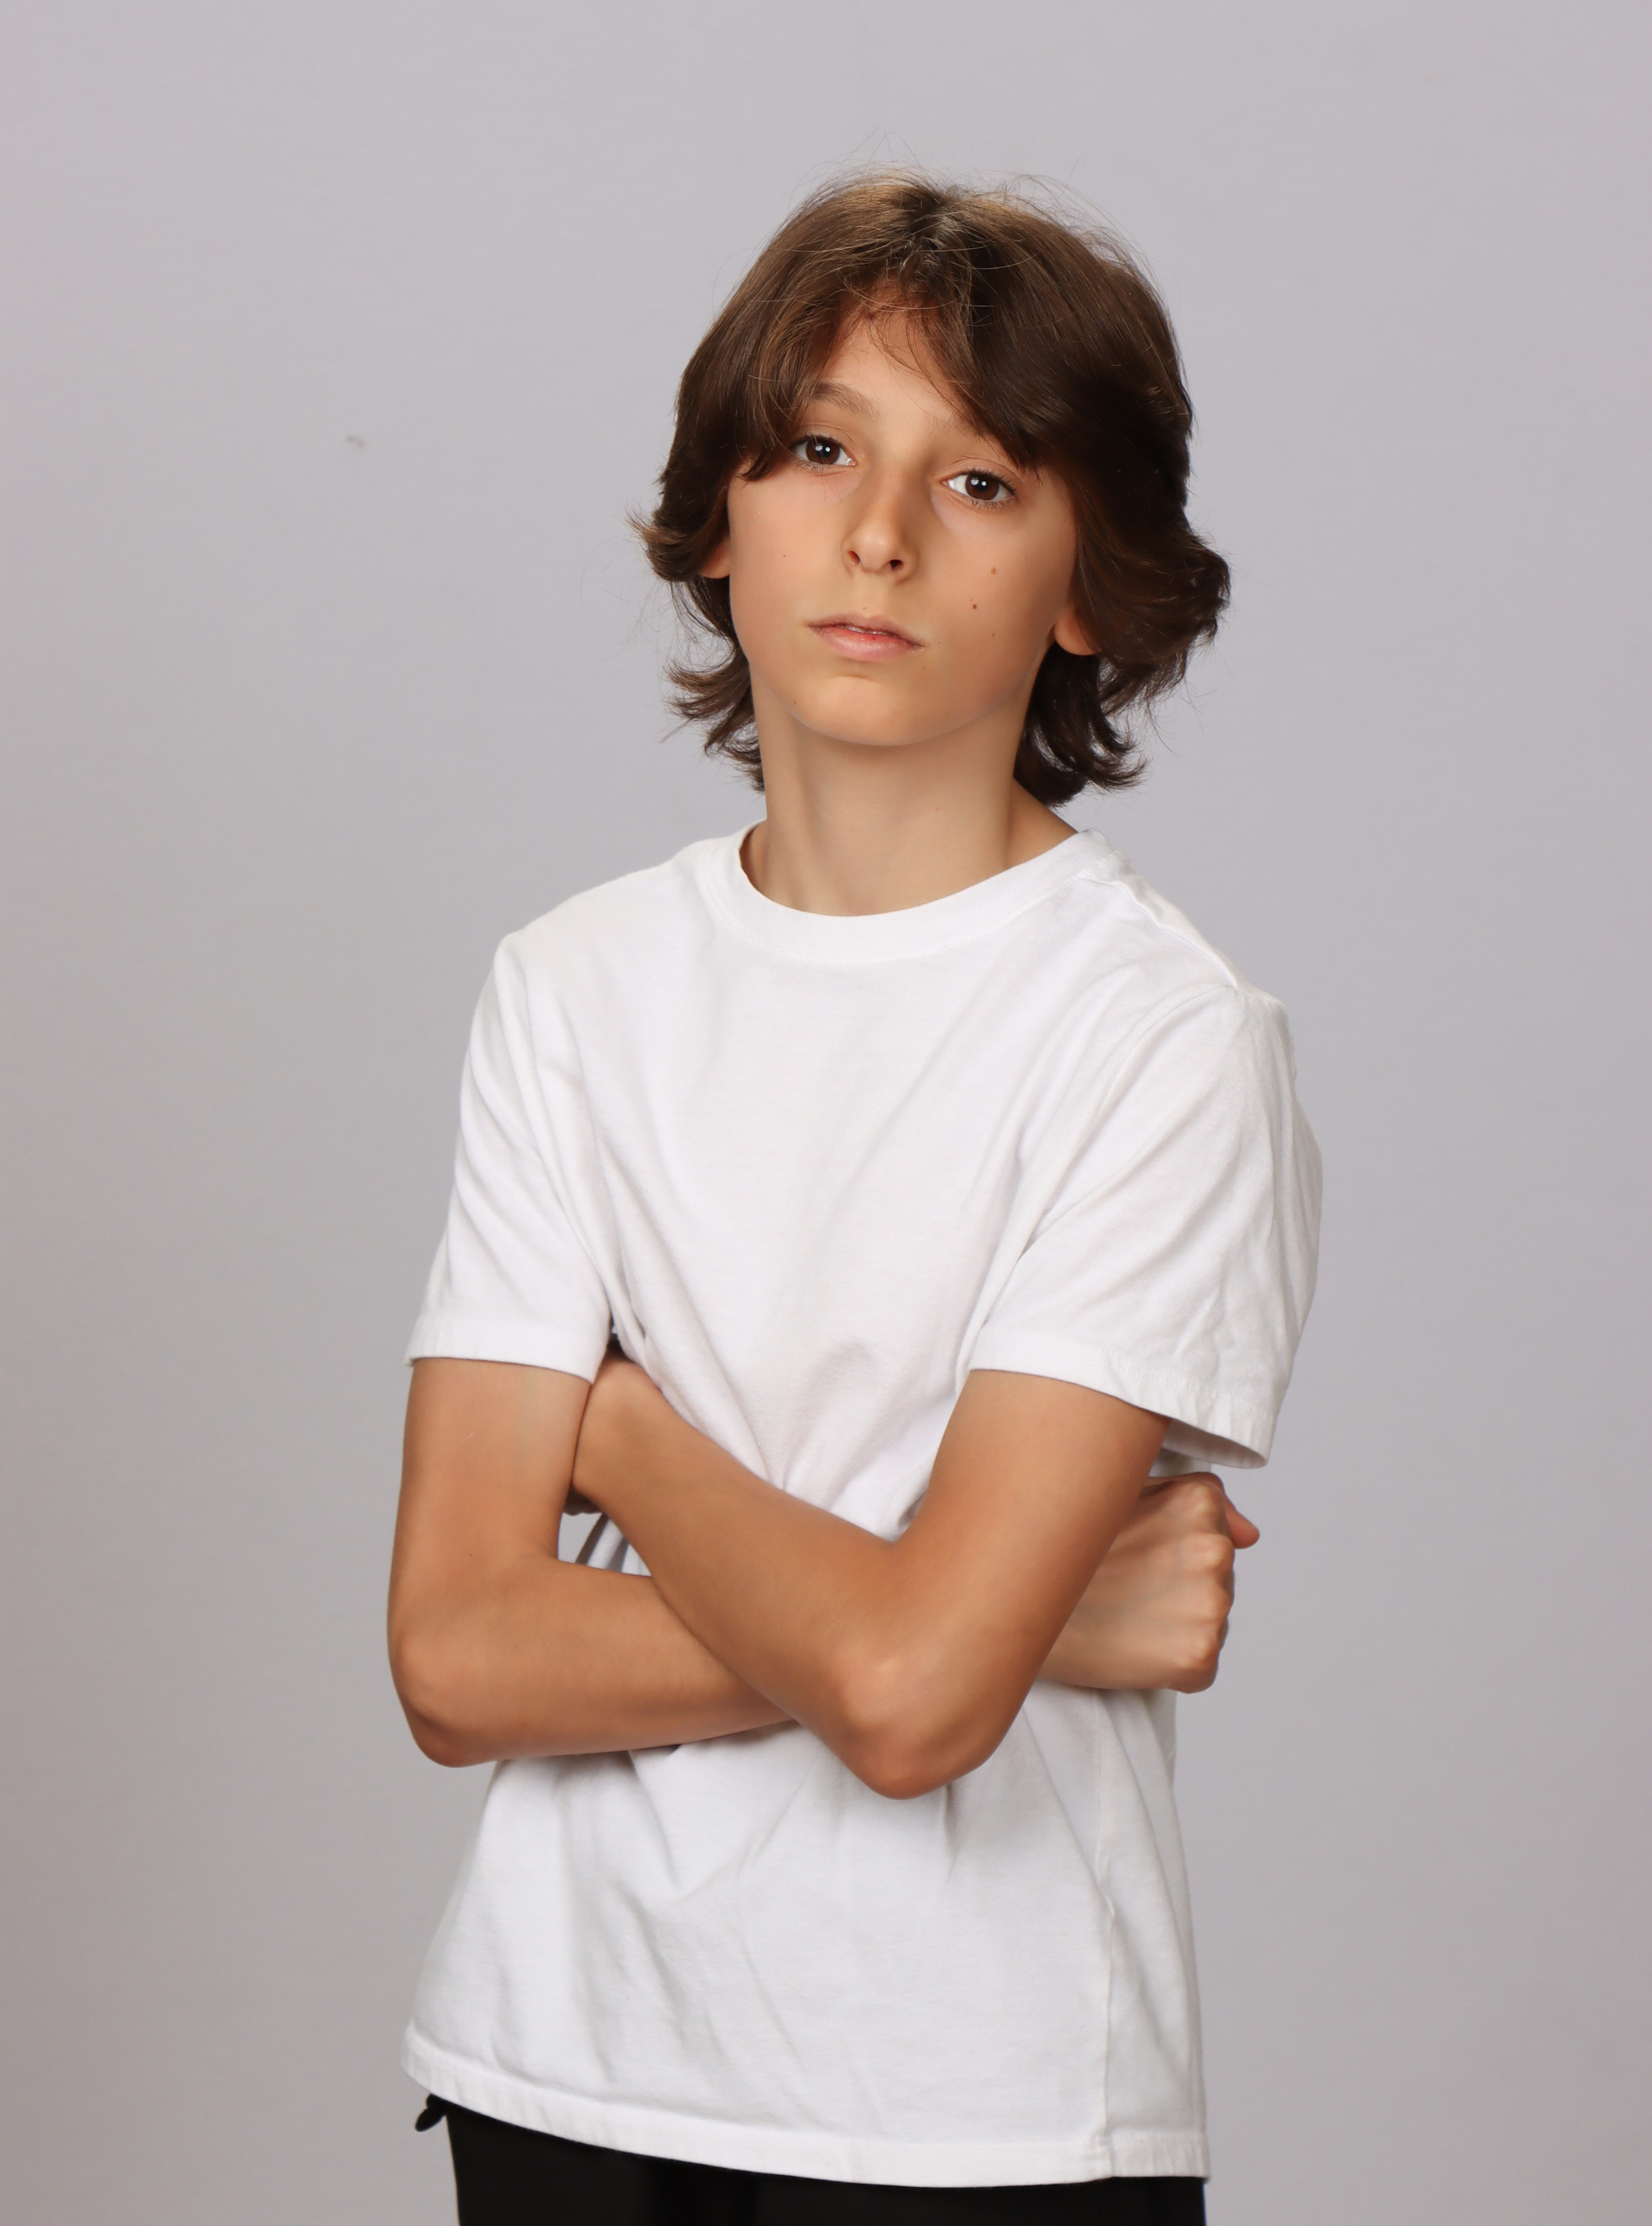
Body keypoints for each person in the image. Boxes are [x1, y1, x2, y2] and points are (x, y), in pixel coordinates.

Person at [389, 173, 1320, 2225]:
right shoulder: (573, 989)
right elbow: (456, 1654)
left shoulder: (1159, 1040)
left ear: (1090, 588)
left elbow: (909, 1711)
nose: (880, 533)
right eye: (818, 450)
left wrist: (624, 1434)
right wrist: (1029, 1627)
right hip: (560, 2057)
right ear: (722, 521)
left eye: (980, 481)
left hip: (969, 2105)